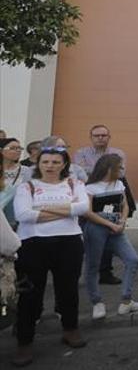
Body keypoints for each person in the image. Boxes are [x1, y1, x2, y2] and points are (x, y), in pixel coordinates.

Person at [12, 147, 89, 366]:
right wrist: (66, 209)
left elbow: (82, 208)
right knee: (30, 294)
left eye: (56, 162)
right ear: (39, 164)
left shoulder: (75, 184)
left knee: (68, 289)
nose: (50, 166)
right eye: (46, 162)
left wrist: (43, 208)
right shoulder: (27, 187)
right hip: (33, 244)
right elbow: (23, 215)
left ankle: (70, 329)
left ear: (64, 164)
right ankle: (25, 341)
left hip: (69, 242)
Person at [82, 154, 138, 319]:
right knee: (93, 266)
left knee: (133, 260)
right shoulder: (91, 187)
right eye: (120, 167)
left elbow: (124, 204)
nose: (122, 170)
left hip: (117, 227)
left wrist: (122, 221)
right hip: (96, 227)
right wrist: (109, 224)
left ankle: (126, 300)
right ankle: (97, 302)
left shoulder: (119, 184)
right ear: (109, 168)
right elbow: (87, 212)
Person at [2, 138, 32, 227]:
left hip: (16, 217)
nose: (18, 151)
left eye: (19, 148)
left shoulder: (26, 171)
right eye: (13, 148)